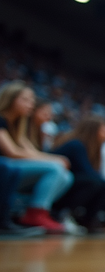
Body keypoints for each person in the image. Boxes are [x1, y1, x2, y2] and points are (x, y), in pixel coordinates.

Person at [0, 82, 74, 233]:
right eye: (26, 99)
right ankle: (34, 213)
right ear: (11, 99)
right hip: (7, 167)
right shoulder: (1, 120)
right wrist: (54, 161)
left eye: (32, 100)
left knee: (66, 176)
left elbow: (31, 151)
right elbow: (12, 152)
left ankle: (33, 211)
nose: (31, 104)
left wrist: (57, 159)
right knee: (55, 169)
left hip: (12, 170)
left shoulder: (17, 125)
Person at [52, 115, 105, 232]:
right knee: (97, 183)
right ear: (93, 130)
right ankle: (63, 214)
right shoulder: (77, 144)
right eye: (104, 130)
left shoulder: (93, 147)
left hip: (73, 181)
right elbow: (87, 172)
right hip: (59, 184)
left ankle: (89, 219)